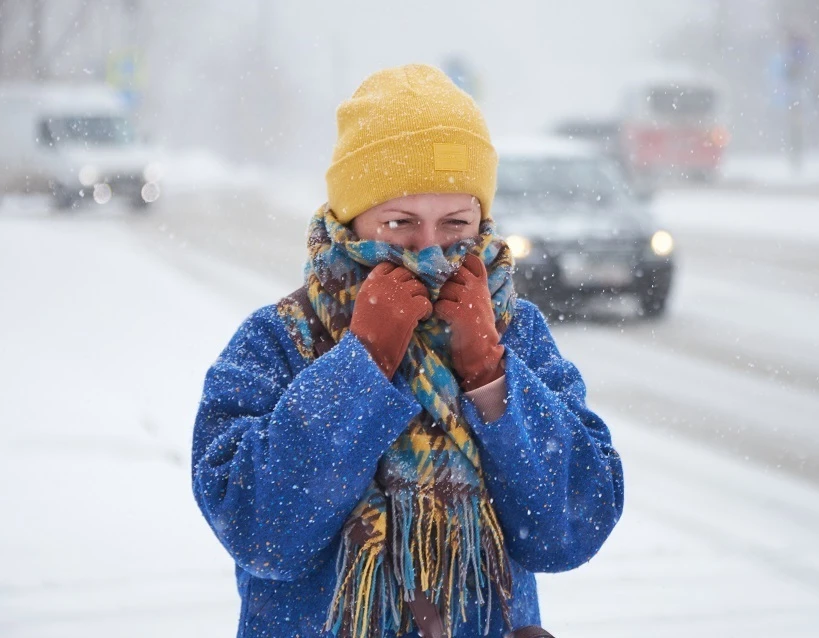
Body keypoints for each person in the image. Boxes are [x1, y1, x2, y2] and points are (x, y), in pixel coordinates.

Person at [191, 63, 623, 638]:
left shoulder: (515, 332)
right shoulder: (280, 339)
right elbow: (262, 532)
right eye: (399, 223)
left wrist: (489, 372)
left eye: (455, 223)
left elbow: (572, 525)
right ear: (352, 221)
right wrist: (362, 361)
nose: (430, 249)